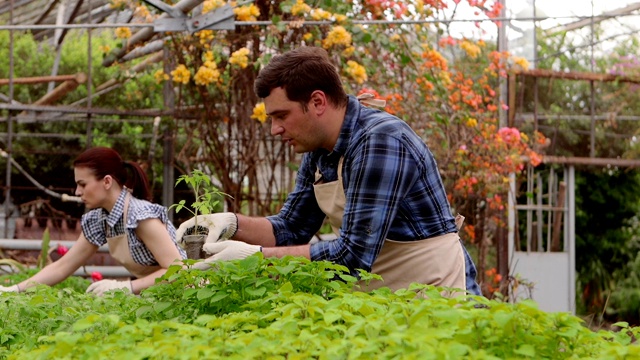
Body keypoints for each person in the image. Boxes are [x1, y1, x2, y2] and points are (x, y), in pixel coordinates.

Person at [176, 46, 481, 295]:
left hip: (433, 291)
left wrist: (253, 259)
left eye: (282, 115)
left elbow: (353, 256)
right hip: (379, 297)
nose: (275, 129)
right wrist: (229, 224)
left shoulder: (380, 140)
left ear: (318, 101)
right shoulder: (320, 149)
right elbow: (292, 227)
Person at [0, 147, 187, 296]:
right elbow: (62, 266)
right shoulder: (101, 220)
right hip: (159, 296)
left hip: (190, 295)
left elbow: (178, 271)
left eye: (82, 184)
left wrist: (126, 287)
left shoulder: (141, 216)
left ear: (107, 182)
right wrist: (14, 290)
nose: (77, 192)